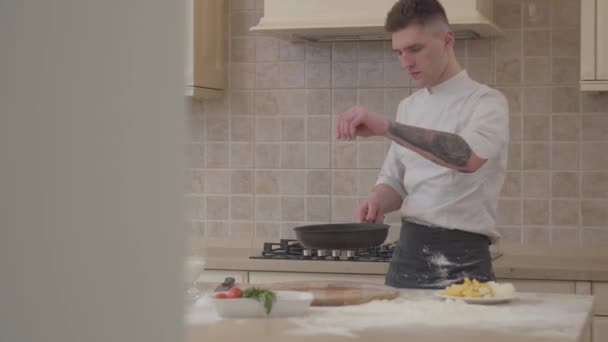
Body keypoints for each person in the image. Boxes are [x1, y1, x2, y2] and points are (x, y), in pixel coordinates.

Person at [336, 0, 509, 289]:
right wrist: (378, 198)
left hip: (463, 261)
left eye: (415, 49)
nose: (405, 62)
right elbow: (396, 182)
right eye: (399, 52)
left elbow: (468, 156)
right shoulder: (409, 107)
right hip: (408, 257)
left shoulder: (487, 102)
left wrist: (385, 126)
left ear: (447, 40)